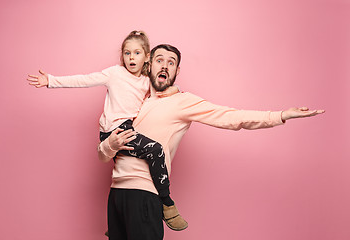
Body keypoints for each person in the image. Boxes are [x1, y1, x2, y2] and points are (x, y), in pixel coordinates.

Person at [98, 44, 325, 240]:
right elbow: (102, 155)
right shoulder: (134, 99)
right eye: (159, 60)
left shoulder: (183, 102)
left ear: (177, 71)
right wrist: (110, 145)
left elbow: (231, 117)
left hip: (145, 195)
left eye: (171, 62)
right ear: (149, 66)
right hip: (116, 194)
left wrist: (280, 115)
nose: (165, 66)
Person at [26, 31, 188, 231]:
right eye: (127, 53)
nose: (131, 58)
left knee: (135, 162)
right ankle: (167, 203)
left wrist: (177, 90)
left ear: (147, 57)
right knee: (155, 150)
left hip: (128, 130)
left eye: (137, 53)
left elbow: (162, 91)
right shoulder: (115, 74)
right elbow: (84, 80)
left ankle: (118, 226)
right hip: (113, 131)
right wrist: (51, 80)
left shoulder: (147, 81)